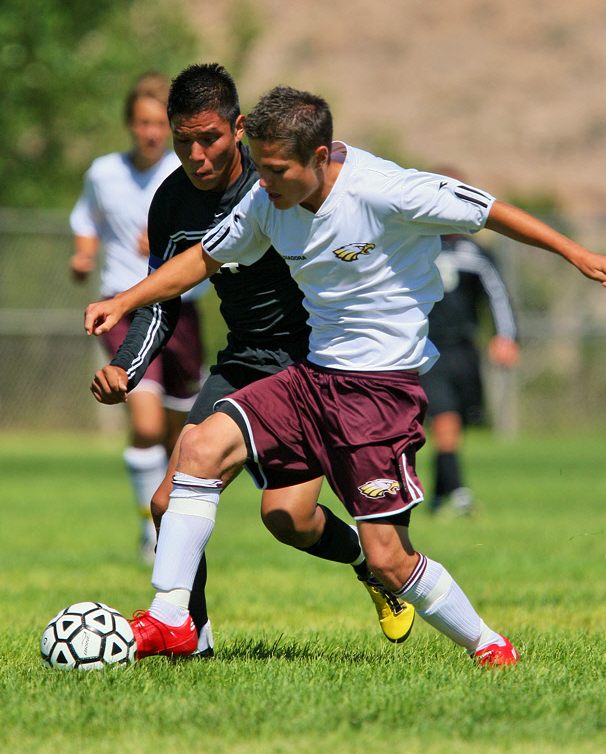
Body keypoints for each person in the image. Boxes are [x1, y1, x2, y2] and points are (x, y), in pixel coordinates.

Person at [84, 85, 606, 667]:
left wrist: (577, 253)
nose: (263, 184)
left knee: (389, 559)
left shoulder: (385, 189)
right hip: (310, 377)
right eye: (260, 169)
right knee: (199, 444)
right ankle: (172, 622)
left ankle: (489, 644)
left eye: (277, 171)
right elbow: (202, 260)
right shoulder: (266, 199)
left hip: (378, 393)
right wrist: (124, 300)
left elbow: (488, 210)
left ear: (319, 158)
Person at [89, 64, 415, 658]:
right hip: (244, 361)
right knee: (167, 502)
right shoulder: (172, 203)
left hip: (311, 362)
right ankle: (194, 643)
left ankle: (374, 566)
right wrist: (128, 369)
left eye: (208, 137)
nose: (195, 153)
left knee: (288, 519)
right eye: (182, 139)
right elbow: (164, 295)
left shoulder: (275, 185)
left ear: (238, 129)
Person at [70, 72, 206, 564]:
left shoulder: (187, 171)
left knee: (178, 431)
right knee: (146, 424)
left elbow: (215, 237)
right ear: (129, 124)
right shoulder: (104, 172)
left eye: (158, 124)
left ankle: (167, 520)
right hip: (123, 307)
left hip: (182, 308)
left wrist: (173, 246)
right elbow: (85, 220)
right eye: (142, 123)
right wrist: (83, 256)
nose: (151, 133)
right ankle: (150, 530)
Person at [422, 167, 520, 515]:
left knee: (453, 424)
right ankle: (460, 493)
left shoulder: (474, 252)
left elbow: (497, 296)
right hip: (424, 348)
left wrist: (506, 337)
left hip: (464, 348)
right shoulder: (410, 244)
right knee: (444, 419)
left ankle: (436, 497)